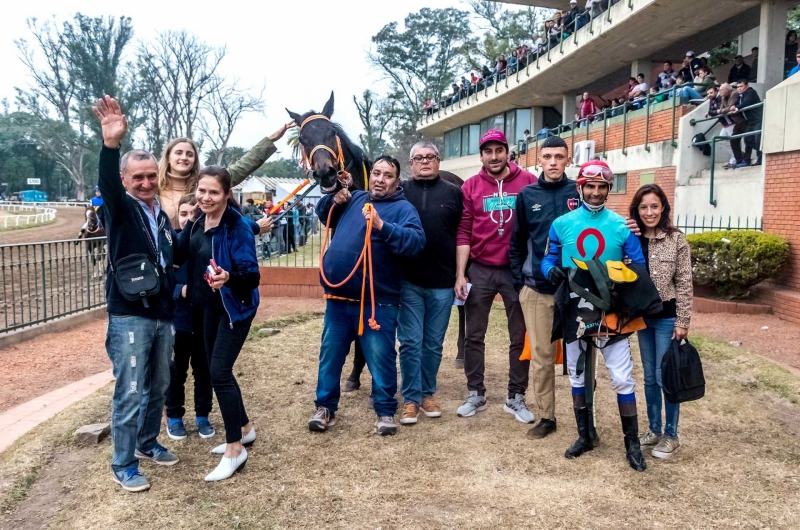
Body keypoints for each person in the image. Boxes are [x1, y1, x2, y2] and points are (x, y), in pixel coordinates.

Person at [92, 95, 181, 493]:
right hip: (129, 313)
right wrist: (111, 145)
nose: (145, 183)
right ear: (126, 180)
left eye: (150, 176)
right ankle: (123, 463)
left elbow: (169, 255)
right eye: (137, 177)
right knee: (130, 390)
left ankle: (147, 444)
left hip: (162, 312)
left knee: (159, 386)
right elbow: (107, 184)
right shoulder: (122, 208)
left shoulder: (159, 214)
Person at [541, 160, 649, 472]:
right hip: (574, 307)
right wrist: (551, 271)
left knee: (620, 376)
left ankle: (632, 445)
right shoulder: (561, 223)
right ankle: (584, 436)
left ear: (608, 189)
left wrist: (626, 275)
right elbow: (547, 258)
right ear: (581, 188)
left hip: (613, 309)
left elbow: (638, 266)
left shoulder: (620, 225)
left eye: (602, 187)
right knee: (576, 374)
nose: (596, 192)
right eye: (591, 186)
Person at [309, 155, 425, 436]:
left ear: (397, 181)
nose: (380, 179)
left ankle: (385, 411)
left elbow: (416, 243)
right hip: (339, 299)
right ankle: (325, 408)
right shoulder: (355, 198)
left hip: (377, 302)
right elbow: (324, 213)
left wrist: (382, 226)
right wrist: (333, 199)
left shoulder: (403, 209)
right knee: (330, 356)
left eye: (387, 175)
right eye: (376, 173)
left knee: (381, 357)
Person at [178, 166, 261, 482]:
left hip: (233, 309)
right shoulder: (198, 219)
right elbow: (179, 251)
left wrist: (229, 278)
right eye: (201, 190)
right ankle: (245, 428)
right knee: (217, 371)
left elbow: (252, 276)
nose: (205, 197)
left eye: (213, 192)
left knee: (219, 373)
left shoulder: (236, 227)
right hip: (205, 309)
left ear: (227, 194)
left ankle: (234, 449)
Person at [454, 130, 537, 421]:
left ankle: (516, 396)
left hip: (516, 270)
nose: (493, 156)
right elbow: (464, 231)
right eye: (487, 151)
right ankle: (475, 393)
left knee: (520, 335)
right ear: (481, 156)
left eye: (498, 150)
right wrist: (460, 274)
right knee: (474, 335)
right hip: (481, 267)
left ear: (507, 152)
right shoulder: (471, 186)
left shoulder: (528, 182)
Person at [509, 136, 580, 440]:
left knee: (581, 355)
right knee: (542, 357)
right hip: (538, 290)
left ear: (568, 159)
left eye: (559, 157)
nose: (553, 162)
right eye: (547, 156)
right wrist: (521, 280)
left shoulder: (580, 191)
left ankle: (584, 415)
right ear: (538, 160)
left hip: (579, 288)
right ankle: (546, 416)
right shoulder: (526, 195)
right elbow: (515, 242)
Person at [396, 142, 463, 425]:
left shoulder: (455, 194)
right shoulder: (399, 193)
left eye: (430, 157)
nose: (425, 162)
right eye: (418, 158)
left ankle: (427, 393)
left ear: (439, 160)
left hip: (443, 283)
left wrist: (461, 275)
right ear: (411, 164)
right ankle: (410, 398)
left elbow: (463, 236)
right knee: (410, 342)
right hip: (408, 281)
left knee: (433, 344)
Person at [629, 184, 693, 460]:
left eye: (654, 206)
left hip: (668, 318)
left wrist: (683, 320)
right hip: (643, 318)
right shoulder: (633, 238)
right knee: (649, 377)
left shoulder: (677, 240)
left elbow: (685, 283)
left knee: (665, 374)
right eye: (643, 207)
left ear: (664, 207)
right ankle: (654, 430)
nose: (649, 212)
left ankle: (671, 434)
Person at [156, 122, 293, 228]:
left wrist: (269, 140)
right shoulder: (154, 188)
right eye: (178, 153)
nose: (184, 157)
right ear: (168, 157)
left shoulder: (205, 184)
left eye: (189, 154)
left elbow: (241, 167)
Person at [164, 194, 215, 442]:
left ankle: (203, 416)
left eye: (192, 215)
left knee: (204, 371)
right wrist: (179, 290)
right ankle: (174, 417)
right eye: (183, 214)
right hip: (179, 321)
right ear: (177, 216)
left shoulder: (207, 241)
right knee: (176, 372)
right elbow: (162, 280)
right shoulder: (171, 244)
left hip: (204, 319)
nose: (188, 219)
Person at [730, 79, 763, 167]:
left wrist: (736, 108)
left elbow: (746, 103)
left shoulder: (751, 92)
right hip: (749, 122)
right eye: (738, 87)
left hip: (757, 120)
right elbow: (736, 103)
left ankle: (760, 158)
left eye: (741, 86)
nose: (739, 89)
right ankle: (763, 151)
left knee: (758, 139)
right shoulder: (741, 95)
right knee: (748, 140)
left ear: (747, 86)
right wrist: (733, 106)